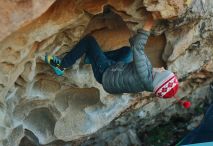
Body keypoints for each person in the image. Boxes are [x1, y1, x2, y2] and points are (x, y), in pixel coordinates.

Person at [45, 14, 179, 99]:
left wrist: (148, 24)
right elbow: (135, 50)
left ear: (159, 78)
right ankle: (90, 58)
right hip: (117, 72)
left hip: (105, 73)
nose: (162, 68)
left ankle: (62, 65)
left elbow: (138, 48)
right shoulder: (150, 82)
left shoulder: (145, 74)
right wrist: (134, 35)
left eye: (164, 71)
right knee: (128, 52)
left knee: (89, 41)